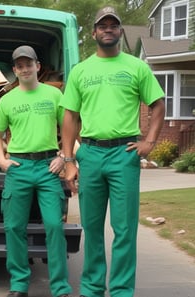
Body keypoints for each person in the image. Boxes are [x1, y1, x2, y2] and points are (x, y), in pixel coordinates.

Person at [60, 6, 165, 297]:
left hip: (124, 155)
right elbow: (69, 117)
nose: (108, 29)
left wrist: (150, 142)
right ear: (93, 33)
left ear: (119, 31)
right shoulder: (81, 71)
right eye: (102, 25)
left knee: (124, 230)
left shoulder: (136, 67)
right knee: (92, 228)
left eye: (113, 25)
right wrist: (69, 160)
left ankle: (120, 291)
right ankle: (93, 288)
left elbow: (157, 104)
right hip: (90, 155)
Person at [0, 45, 72, 297]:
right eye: (20, 65)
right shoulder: (7, 100)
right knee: (14, 227)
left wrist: (63, 156)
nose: (25, 68)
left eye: (29, 64)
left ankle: (60, 287)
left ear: (38, 66)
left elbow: (69, 128)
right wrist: (2, 160)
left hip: (48, 167)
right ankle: (18, 285)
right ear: (15, 70)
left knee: (54, 226)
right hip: (19, 167)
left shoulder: (54, 95)